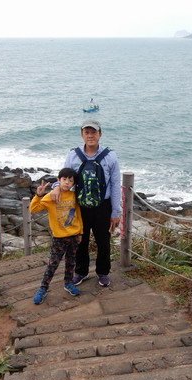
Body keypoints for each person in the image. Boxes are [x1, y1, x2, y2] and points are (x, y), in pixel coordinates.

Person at [51, 119, 121, 287]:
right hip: (79, 206)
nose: (90, 135)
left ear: (100, 134)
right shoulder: (73, 155)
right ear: (82, 134)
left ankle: (103, 272)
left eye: (94, 132)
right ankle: (81, 271)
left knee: (103, 240)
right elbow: (65, 178)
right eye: (87, 132)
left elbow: (115, 185)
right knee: (80, 240)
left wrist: (115, 212)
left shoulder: (110, 156)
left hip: (103, 206)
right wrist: (55, 188)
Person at [30, 168, 83, 305]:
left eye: (70, 181)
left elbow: (78, 215)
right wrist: (39, 195)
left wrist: (80, 232)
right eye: (64, 179)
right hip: (59, 237)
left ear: (73, 184)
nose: (67, 183)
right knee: (53, 264)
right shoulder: (52, 196)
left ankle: (68, 283)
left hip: (74, 235)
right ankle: (43, 288)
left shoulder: (74, 196)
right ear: (59, 180)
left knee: (71, 262)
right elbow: (34, 210)